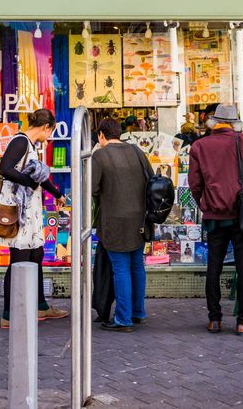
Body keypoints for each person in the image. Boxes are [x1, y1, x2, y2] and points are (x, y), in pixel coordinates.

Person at [0, 108, 67, 328]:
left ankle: (40, 305)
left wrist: (56, 194)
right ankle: (9, 314)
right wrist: (29, 183)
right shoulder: (20, 142)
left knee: (36, 254)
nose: (49, 137)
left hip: (30, 212)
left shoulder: (31, 146)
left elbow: (38, 176)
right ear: (45, 127)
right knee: (19, 259)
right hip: (20, 212)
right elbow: (5, 169)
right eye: (50, 132)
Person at [188, 103, 243, 335]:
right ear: (235, 123)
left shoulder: (199, 146)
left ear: (214, 122)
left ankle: (214, 319)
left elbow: (195, 185)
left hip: (215, 216)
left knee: (214, 266)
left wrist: (205, 203)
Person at [91, 117, 152, 332]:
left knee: (121, 268)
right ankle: (138, 312)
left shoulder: (99, 155)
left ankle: (123, 319)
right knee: (137, 265)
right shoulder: (136, 151)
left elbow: (93, 188)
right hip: (140, 219)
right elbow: (151, 180)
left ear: (101, 135)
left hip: (114, 220)